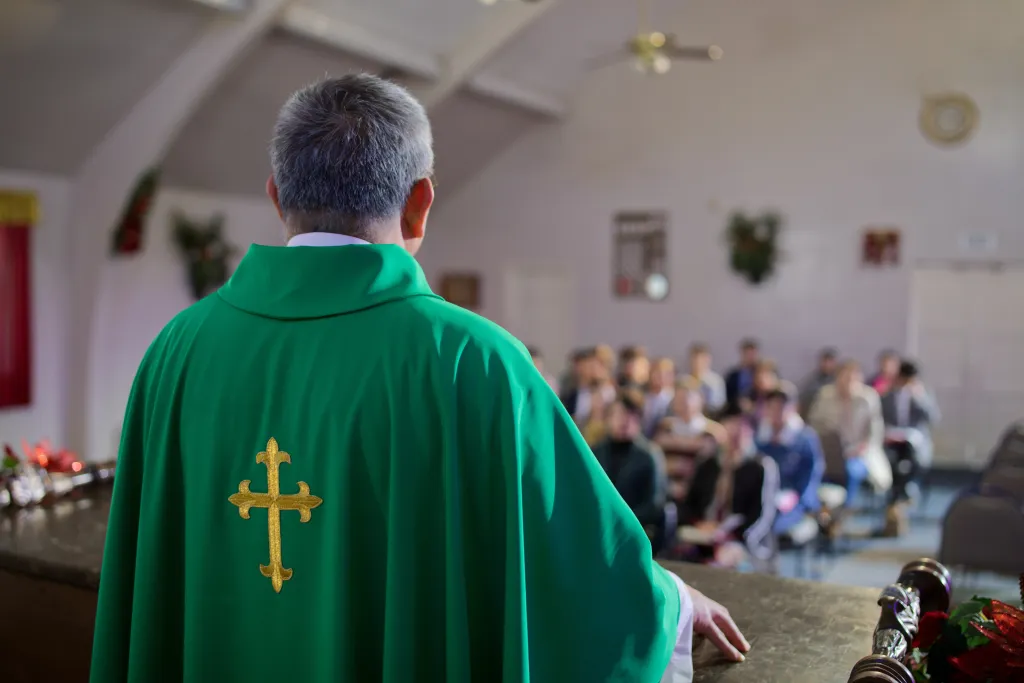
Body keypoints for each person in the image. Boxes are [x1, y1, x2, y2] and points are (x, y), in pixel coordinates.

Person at [90, 75, 748, 683]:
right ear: (420, 204)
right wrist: (669, 602)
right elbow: (578, 565)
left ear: (275, 196)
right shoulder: (474, 360)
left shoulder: (174, 352)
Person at [678, 405, 779, 571]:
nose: (735, 433)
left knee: (725, 561)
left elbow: (762, 517)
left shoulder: (761, 467)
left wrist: (731, 535)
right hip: (704, 534)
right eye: (730, 426)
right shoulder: (708, 464)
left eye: (742, 427)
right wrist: (699, 524)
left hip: (742, 539)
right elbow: (690, 503)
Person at [808, 360, 891, 505]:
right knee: (814, 466)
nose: (848, 383)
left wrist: (860, 449)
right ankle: (818, 508)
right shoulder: (826, 394)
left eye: (852, 378)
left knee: (851, 470)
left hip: (859, 452)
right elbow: (814, 423)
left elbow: (875, 433)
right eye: (844, 378)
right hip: (829, 451)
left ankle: (845, 508)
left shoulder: (868, 397)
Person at [592, 392, 669, 536]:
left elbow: (654, 503)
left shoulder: (650, 455)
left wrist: (623, 521)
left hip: (634, 530)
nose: (625, 421)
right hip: (598, 526)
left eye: (631, 416)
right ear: (608, 418)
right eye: (620, 414)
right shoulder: (595, 452)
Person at [879, 360, 940, 536]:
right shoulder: (887, 395)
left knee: (911, 459)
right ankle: (903, 493)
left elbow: (933, 418)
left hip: (915, 442)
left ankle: (901, 494)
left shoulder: (923, 394)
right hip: (892, 441)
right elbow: (880, 420)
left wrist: (920, 398)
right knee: (892, 464)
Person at [755, 389, 824, 540]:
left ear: (792, 409)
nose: (776, 412)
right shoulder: (760, 435)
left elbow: (813, 473)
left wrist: (799, 499)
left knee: (769, 521)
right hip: (764, 494)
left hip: (793, 497)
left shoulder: (804, 437)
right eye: (772, 407)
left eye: (781, 408)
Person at [684, 343, 726, 414]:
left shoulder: (715, 381)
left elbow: (718, 405)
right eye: (694, 358)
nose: (697, 362)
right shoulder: (684, 380)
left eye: (701, 359)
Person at [798, 347, 838, 418]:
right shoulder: (813, 381)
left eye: (830, 361)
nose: (827, 364)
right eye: (825, 361)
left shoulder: (838, 380)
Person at [725, 338, 761, 412]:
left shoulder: (761, 374)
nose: (749, 357)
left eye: (752, 354)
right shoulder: (733, 376)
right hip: (736, 410)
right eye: (747, 354)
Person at [643, 357, 676, 437]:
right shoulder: (644, 397)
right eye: (657, 373)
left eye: (665, 374)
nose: (661, 377)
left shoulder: (674, 398)